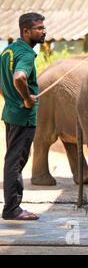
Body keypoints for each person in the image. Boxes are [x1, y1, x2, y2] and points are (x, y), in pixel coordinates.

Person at [1, 12, 46, 220]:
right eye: (39, 28)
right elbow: (19, 77)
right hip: (23, 117)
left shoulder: (7, 51)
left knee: (12, 159)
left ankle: (12, 206)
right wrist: (27, 99)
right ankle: (12, 208)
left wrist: (9, 98)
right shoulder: (26, 55)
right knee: (15, 161)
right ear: (26, 31)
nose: (44, 31)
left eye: (43, 27)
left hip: (11, 113)